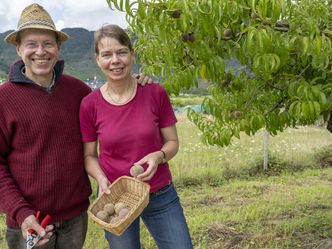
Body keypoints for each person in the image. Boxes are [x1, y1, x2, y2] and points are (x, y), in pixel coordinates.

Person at [0, 4, 150, 249]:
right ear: (18, 49)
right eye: (31, 44)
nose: (41, 51)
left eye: (48, 43)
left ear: (58, 48)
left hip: (75, 217)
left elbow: (110, 102)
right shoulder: (4, 99)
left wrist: (130, 83)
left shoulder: (77, 90)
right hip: (29, 220)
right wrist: (21, 213)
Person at [79, 24, 194, 249]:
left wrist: (158, 156)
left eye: (121, 52)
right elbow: (89, 156)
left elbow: (172, 142)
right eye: (107, 54)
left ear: (132, 54)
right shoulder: (89, 104)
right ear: (97, 59)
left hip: (159, 192)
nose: (115, 60)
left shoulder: (154, 92)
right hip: (115, 196)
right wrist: (102, 180)